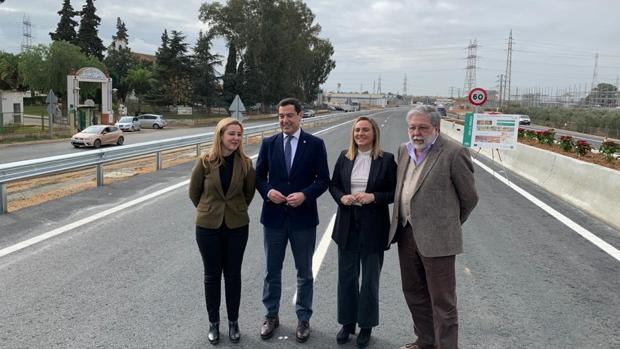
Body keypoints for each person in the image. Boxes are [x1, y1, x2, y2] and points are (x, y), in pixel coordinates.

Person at [388, 106, 478, 349]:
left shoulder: (454, 152)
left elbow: (469, 198)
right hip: (406, 232)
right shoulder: (403, 150)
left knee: (443, 303)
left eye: (423, 127)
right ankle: (425, 342)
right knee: (414, 293)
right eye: (413, 127)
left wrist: (447, 225)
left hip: (439, 240)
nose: (417, 133)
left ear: (436, 128)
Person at [255, 97, 330, 343]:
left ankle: (303, 318)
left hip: (303, 219)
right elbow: (259, 177)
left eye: (289, 115)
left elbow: (323, 179)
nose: (284, 120)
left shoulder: (316, 144)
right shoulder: (269, 143)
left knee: (304, 272)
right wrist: (267, 192)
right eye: (280, 116)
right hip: (274, 218)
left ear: (300, 116)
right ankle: (271, 316)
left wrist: (305, 195)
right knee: (271, 271)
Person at [329, 116, 397, 348]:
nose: (360, 134)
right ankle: (347, 323)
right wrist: (342, 197)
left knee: (369, 280)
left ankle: (366, 326)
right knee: (346, 278)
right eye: (357, 130)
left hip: (374, 225)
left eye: (365, 130)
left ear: (374, 133)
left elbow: (395, 192)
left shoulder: (386, 160)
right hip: (347, 223)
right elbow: (334, 184)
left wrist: (374, 197)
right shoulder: (344, 157)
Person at [189, 117, 256, 345]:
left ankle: (234, 322)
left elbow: (248, 194)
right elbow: (194, 193)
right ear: (221, 136)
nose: (236, 138)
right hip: (208, 228)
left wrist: (234, 211)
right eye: (231, 134)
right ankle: (214, 323)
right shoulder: (205, 161)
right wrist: (211, 211)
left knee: (233, 276)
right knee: (211, 276)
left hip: (237, 227)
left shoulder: (246, 163)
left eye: (239, 134)